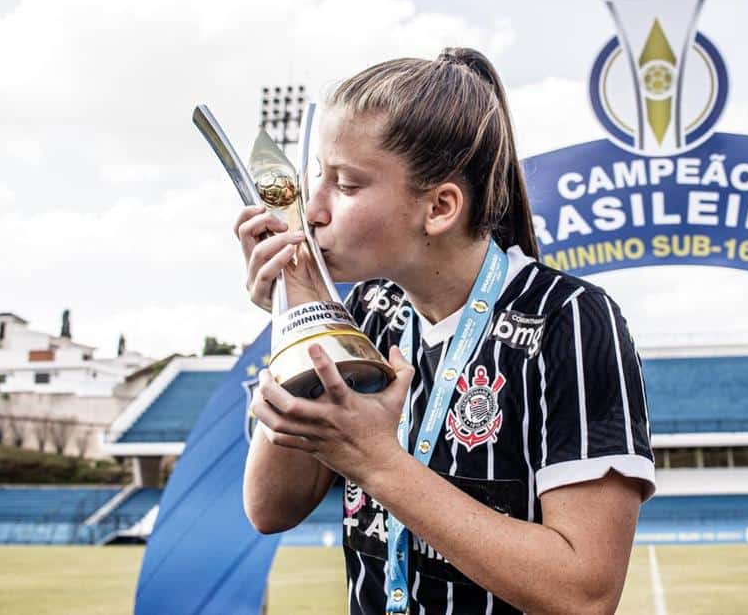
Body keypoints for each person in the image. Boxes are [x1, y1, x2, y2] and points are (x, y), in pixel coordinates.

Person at [235, 47, 655, 614]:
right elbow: (270, 508)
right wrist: (299, 311)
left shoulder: (570, 320)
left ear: (440, 207)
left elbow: (584, 593)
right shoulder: (366, 312)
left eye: (347, 185)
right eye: (317, 179)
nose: (311, 211)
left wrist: (378, 462)